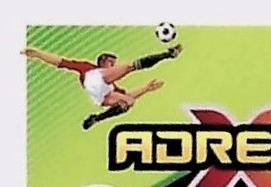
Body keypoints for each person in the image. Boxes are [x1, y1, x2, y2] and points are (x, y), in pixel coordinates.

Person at [21, 45, 183, 129]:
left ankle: (96, 118)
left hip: (100, 96)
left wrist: (146, 88)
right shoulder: (88, 68)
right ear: (103, 61)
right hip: (94, 79)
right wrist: (38, 54)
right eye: (111, 63)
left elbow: (129, 96)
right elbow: (60, 62)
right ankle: (167, 54)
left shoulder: (111, 86)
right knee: (130, 66)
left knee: (128, 102)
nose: (114, 66)